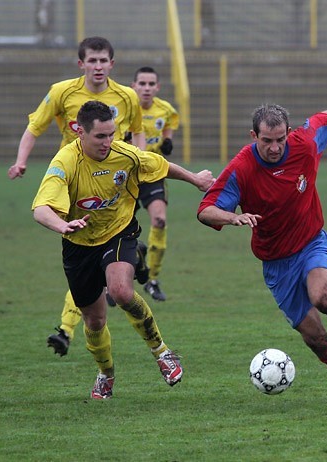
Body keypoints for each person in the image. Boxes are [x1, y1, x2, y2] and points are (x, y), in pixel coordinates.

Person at [197, 97, 327, 403]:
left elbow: (322, 118)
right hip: (276, 264)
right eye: (266, 141)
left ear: (288, 132)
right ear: (253, 136)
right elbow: (205, 210)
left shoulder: (304, 143)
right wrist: (233, 217)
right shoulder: (242, 168)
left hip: (312, 242)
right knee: (317, 340)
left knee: (323, 296)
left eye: (280, 139)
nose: (274, 147)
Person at [32, 100, 214, 399]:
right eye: (100, 137)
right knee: (94, 320)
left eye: (111, 134)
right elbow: (41, 208)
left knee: (121, 291)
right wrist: (62, 226)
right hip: (78, 245)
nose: (108, 142)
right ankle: (106, 373)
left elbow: (161, 166)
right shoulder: (65, 162)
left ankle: (162, 352)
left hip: (119, 231)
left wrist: (196, 180)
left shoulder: (124, 153)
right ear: (80, 133)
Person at [7, 36, 148, 355]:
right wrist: (21, 160)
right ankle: (133, 255)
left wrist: (140, 161)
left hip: (116, 184)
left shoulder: (126, 96)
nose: (98, 66)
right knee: (86, 254)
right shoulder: (62, 92)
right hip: (74, 187)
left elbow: (137, 131)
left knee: (90, 254)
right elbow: (34, 127)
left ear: (112, 64)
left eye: (103, 61)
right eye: (92, 61)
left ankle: (66, 329)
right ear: (81, 63)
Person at [129, 66, 180, 301]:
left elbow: (169, 123)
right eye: (142, 84)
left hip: (153, 172)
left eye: (151, 84)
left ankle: (152, 279)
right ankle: (112, 282)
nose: (147, 88)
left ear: (157, 87)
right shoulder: (126, 109)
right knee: (116, 228)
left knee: (159, 220)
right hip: (127, 175)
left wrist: (167, 140)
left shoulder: (166, 109)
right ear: (134, 86)